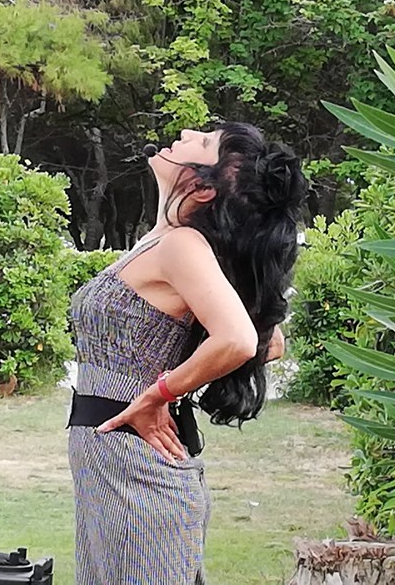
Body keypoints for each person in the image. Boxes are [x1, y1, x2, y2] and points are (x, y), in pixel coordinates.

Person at [67, 122, 307, 585]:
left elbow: (242, 340)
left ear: (202, 188)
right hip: (114, 464)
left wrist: (160, 394)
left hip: (141, 470)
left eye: (204, 142)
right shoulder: (163, 241)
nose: (187, 131)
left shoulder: (182, 245)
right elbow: (268, 341)